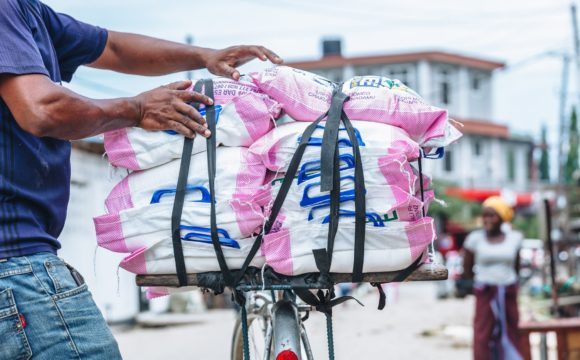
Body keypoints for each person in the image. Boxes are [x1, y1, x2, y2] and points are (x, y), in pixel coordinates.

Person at [0, 1, 282, 358]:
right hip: (16, 268)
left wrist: (205, 56)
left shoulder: (27, 13)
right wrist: (137, 110)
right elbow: (42, 110)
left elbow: (112, 47)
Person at [462, 196, 523, 360]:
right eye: (485, 215)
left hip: (508, 291)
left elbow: (516, 266)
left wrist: (513, 286)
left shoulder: (514, 238)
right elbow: (467, 268)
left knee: (511, 329)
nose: (487, 219)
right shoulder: (474, 239)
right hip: (485, 291)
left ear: (502, 218)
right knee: (483, 333)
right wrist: (478, 285)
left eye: (492, 215)